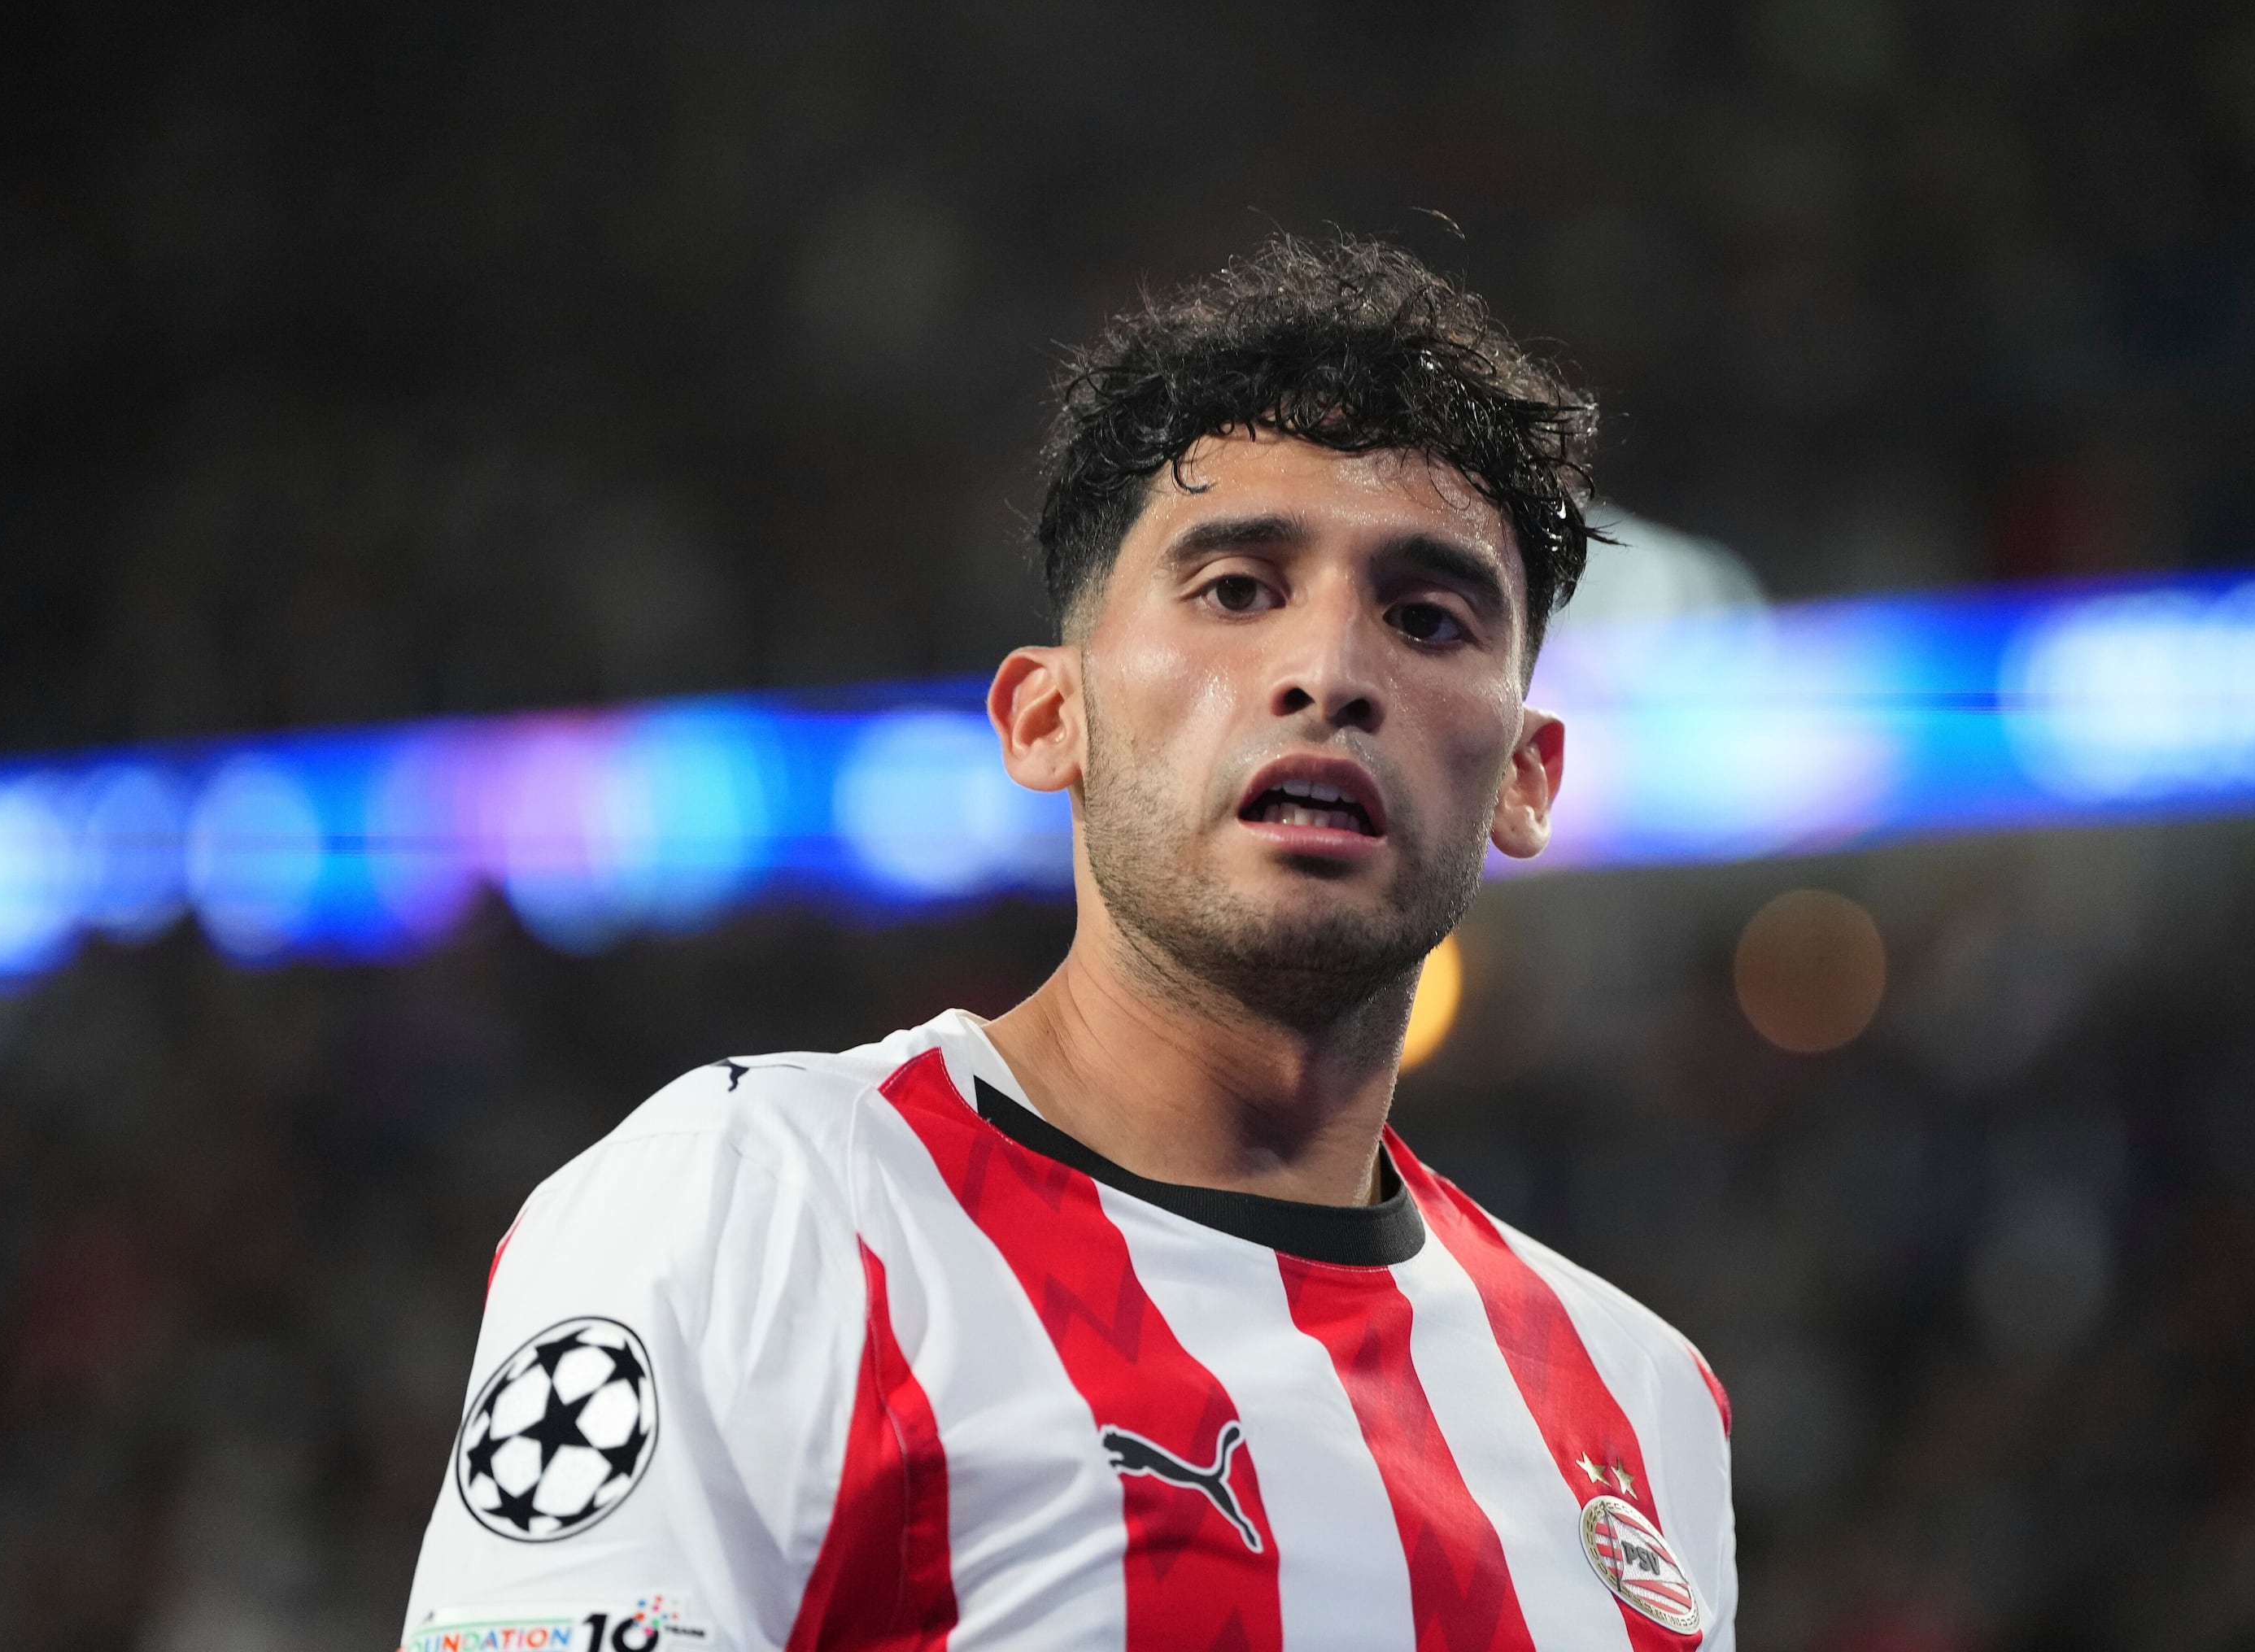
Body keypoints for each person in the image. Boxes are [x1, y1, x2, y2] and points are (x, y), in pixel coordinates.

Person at [399, 234, 1737, 1652]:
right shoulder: (760, 1202)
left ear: (1528, 776)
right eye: (1236, 589)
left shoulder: (1640, 1402)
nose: (1330, 673)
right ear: (1051, 717)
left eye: (1425, 617)